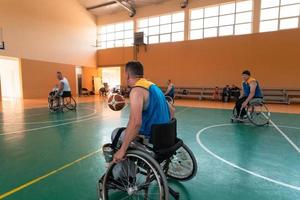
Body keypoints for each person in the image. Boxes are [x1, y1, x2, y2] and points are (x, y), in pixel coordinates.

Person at [112, 61, 175, 163]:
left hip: (151, 138)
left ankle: (126, 175)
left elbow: (136, 123)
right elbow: (172, 110)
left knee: (116, 134)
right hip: (166, 136)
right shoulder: (153, 86)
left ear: (127, 75)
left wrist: (122, 150)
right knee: (126, 130)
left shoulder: (136, 91)